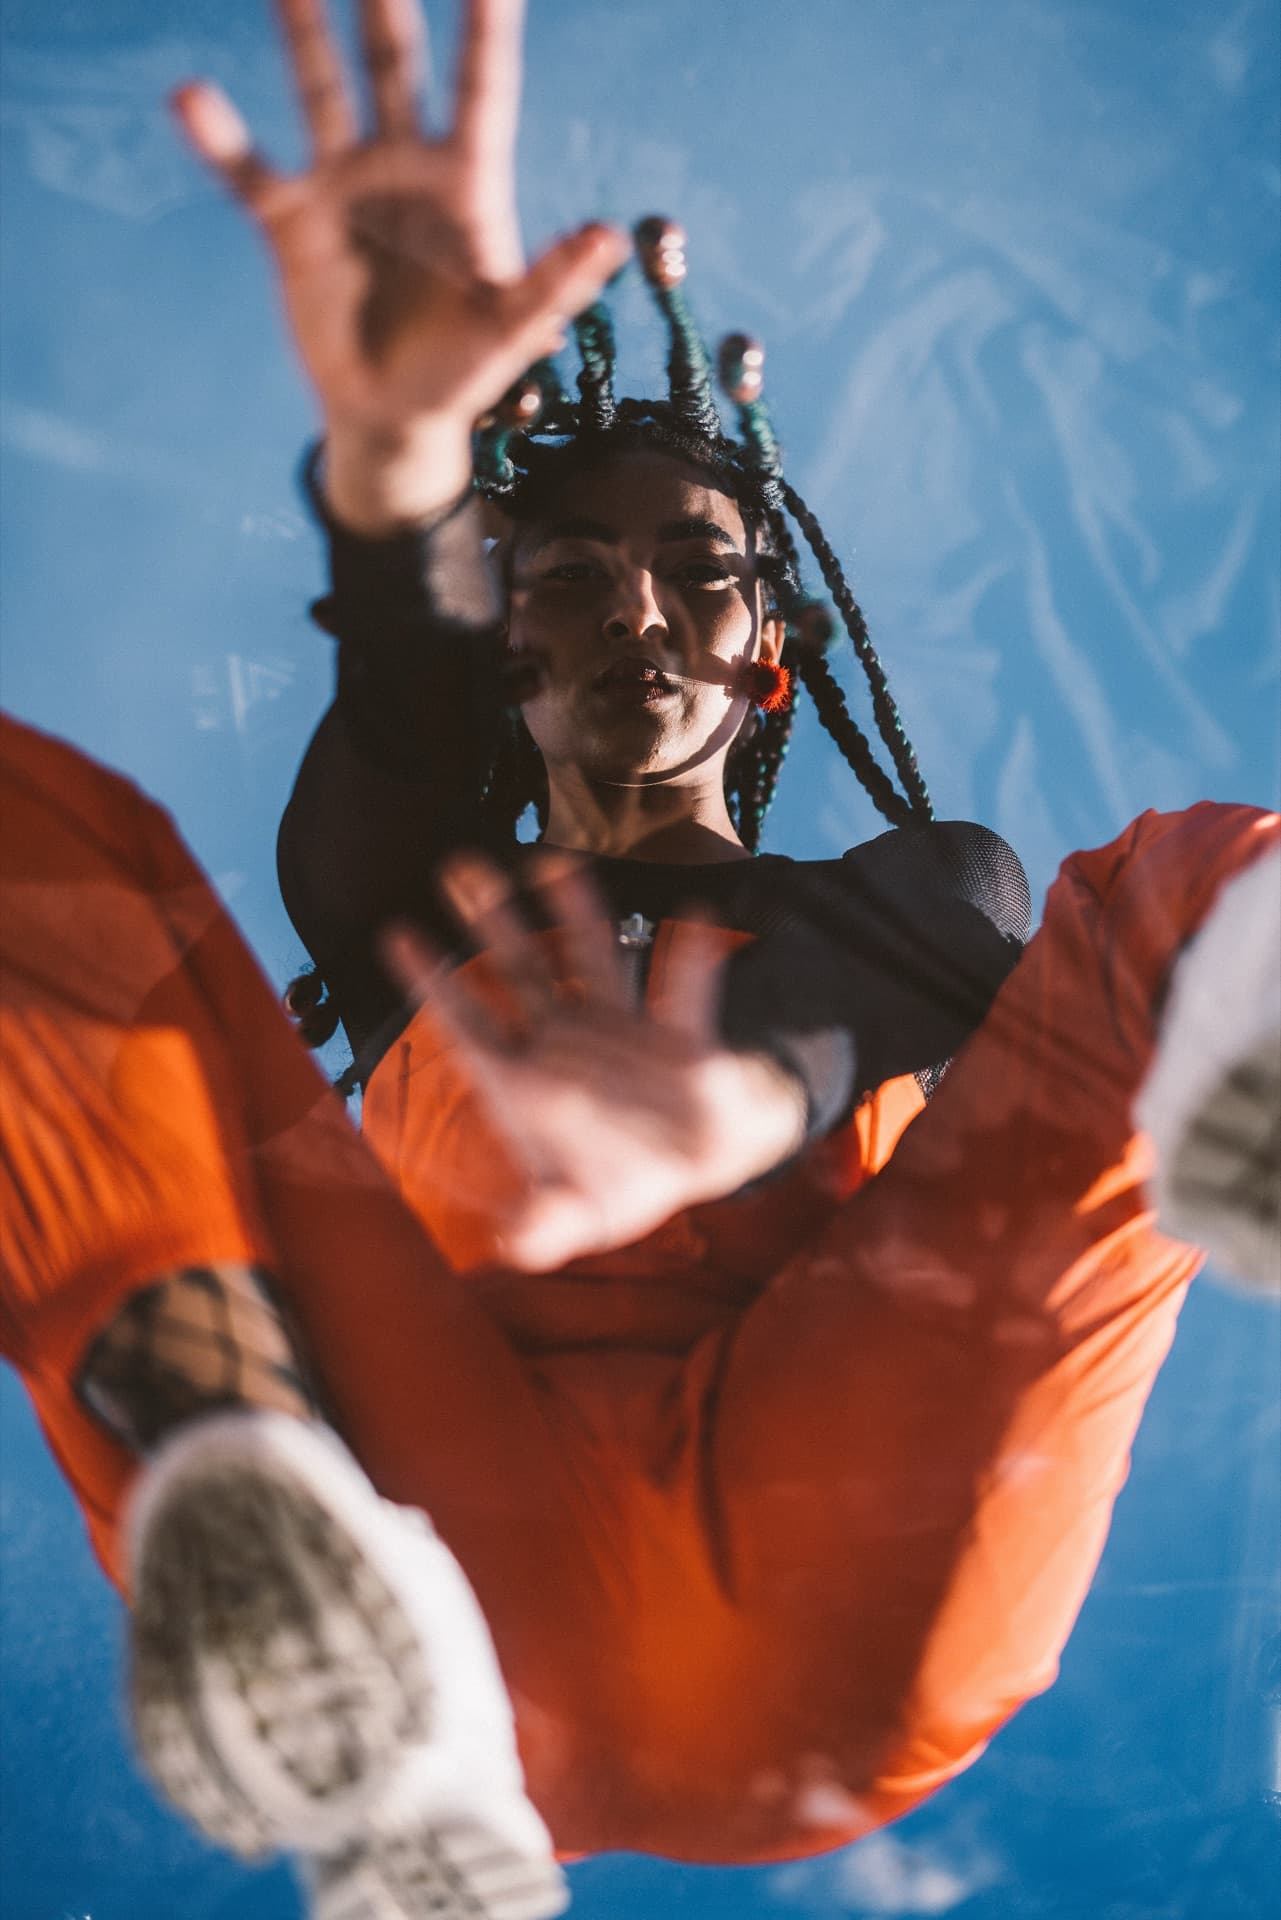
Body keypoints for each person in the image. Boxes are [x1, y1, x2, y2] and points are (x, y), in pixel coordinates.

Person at [1, 4, 1277, 1918]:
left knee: (1191, 884)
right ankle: (249, 1504)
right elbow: (401, 707)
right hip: (438, 1567)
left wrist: (742, 1096)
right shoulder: (417, 885)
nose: (637, 610)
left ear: (770, 651)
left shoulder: (923, 885)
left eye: (693, 567)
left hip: (843, 1532)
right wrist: (407, 460)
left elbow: (912, 947)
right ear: (509, 651)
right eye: (568, 574)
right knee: (42, 844)